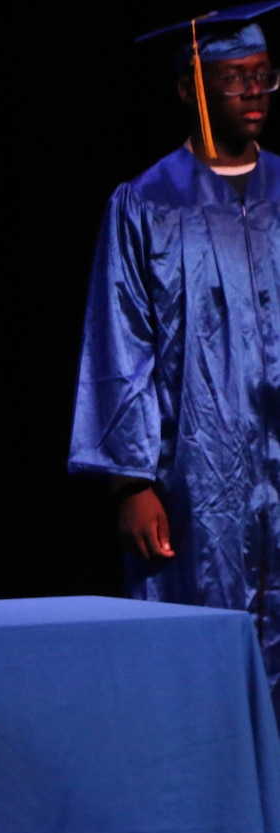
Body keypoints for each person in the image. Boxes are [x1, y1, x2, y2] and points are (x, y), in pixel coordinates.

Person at [70, 10, 280, 704]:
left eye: (262, 77)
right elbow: (119, 343)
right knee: (201, 653)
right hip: (197, 479)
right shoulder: (146, 203)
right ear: (193, 88)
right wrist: (131, 483)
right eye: (234, 80)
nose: (255, 93)